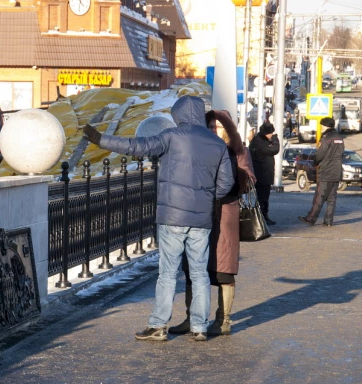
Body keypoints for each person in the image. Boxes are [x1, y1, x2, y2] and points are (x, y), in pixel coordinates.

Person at [82, 96, 234, 342]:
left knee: (167, 273)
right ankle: (199, 327)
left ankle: (159, 326)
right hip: (201, 220)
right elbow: (226, 184)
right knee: (199, 274)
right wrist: (205, 196)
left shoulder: (172, 137)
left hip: (172, 216)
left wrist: (101, 140)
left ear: (179, 115)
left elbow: (137, 146)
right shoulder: (217, 144)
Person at [169, 110, 256, 337]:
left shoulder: (238, 151)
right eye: (207, 127)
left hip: (225, 215)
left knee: (223, 270)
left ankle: (223, 320)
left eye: (216, 127)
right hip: (198, 212)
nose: (212, 131)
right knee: (192, 269)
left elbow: (248, 180)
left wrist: (229, 174)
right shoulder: (198, 147)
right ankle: (192, 318)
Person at [298, 117, 344, 226]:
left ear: (325, 126)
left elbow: (320, 154)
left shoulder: (326, 138)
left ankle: (311, 218)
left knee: (319, 196)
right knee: (332, 198)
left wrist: (315, 161)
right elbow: (341, 153)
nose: (321, 127)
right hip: (336, 171)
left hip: (326, 171)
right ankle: (328, 221)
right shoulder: (340, 138)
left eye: (322, 125)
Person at [249, 122, 280, 225]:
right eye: (271, 133)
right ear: (267, 133)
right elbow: (275, 149)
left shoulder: (257, 140)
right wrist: (275, 139)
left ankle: (263, 217)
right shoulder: (260, 142)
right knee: (263, 198)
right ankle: (262, 218)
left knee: (263, 198)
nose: (272, 135)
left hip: (262, 174)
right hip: (262, 174)